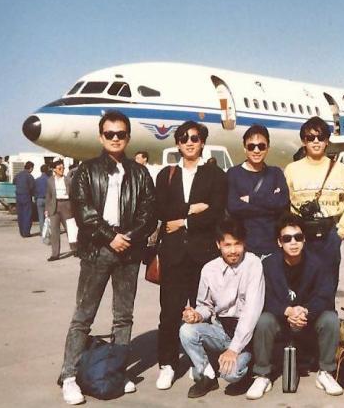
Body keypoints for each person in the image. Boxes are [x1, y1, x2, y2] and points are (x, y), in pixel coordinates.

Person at [58, 110, 156, 405]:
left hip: (128, 251)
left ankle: (115, 370)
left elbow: (148, 213)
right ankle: (69, 376)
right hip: (97, 250)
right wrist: (110, 236)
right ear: (101, 137)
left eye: (121, 134)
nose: (115, 138)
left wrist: (128, 237)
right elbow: (83, 211)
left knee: (123, 317)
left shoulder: (139, 173)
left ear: (128, 137)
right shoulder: (86, 171)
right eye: (109, 134)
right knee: (83, 316)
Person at [154, 120, 227, 391]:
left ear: (202, 142)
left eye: (194, 138)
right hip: (173, 255)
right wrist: (193, 209)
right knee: (169, 313)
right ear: (177, 143)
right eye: (184, 138)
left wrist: (183, 220)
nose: (189, 142)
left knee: (203, 312)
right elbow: (161, 210)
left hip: (203, 256)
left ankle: (201, 363)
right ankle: (167, 364)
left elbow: (216, 212)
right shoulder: (167, 175)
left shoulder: (215, 175)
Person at [247, 214, 343, 399]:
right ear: (279, 242)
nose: (293, 242)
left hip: (308, 319)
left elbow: (325, 296)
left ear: (304, 239)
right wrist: (287, 311)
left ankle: (326, 372)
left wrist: (305, 311)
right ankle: (262, 374)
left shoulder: (318, 264)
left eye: (298, 237)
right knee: (264, 320)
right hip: (281, 320)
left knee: (331, 319)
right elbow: (263, 297)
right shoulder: (268, 265)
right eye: (287, 238)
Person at [179, 219, 265, 398]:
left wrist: (234, 349)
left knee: (230, 374)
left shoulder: (253, 264)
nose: (233, 250)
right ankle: (207, 376)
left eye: (237, 244)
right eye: (227, 245)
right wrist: (196, 315)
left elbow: (252, 311)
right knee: (186, 331)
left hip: (245, 334)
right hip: (220, 329)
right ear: (218, 245)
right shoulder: (209, 269)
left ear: (244, 243)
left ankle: (248, 367)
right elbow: (205, 306)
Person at [284, 116, 344, 306]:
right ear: (303, 141)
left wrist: (341, 231)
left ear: (327, 141)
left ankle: (327, 320)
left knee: (327, 285)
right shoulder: (292, 170)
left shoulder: (341, 170)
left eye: (320, 137)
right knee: (300, 285)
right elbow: (285, 204)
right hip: (301, 236)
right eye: (310, 137)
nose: (316, 141)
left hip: (330, 235)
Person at [227, 124, 289, 258]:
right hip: (244, 247)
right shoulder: (233, 174)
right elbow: (233, 207)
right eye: (251, 146)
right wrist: (270, 206)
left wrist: (251, 199)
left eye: (261, 146)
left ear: (268, 148)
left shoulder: (276, 173)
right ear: (244, 148)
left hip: (272, 247)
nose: (256, 150)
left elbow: (282, 202)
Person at [45, 160, 76, 261]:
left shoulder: (68, 180)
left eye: (63, 168)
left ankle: (75, 249)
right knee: (54, 231)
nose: (62, 170)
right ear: (54, 169)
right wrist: (47, 209)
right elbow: (48, 196)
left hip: (66, 205)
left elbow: (73, 194)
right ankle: (55, 254)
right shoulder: (50, 181)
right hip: (54, 206)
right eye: (59, 168)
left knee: (70, 229)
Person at [13, 161, 35, 237]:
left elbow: (14, 182)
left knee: (20, 215)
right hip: (26, 196)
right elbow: (32, 187)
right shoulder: (29, 176)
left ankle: (22, 232)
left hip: (18, 197)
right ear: (31, 168)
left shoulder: (18, 175)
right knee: (27, 214)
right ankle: (26, 232)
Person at [34, 164, 50, 235]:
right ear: (47, 170)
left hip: (39, 199)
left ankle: (42, 232)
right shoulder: (49, 180)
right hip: (48, 200)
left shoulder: (37, 180)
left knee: (41, 217)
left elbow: (34, 190)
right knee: (48, 216)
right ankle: (48, 231)